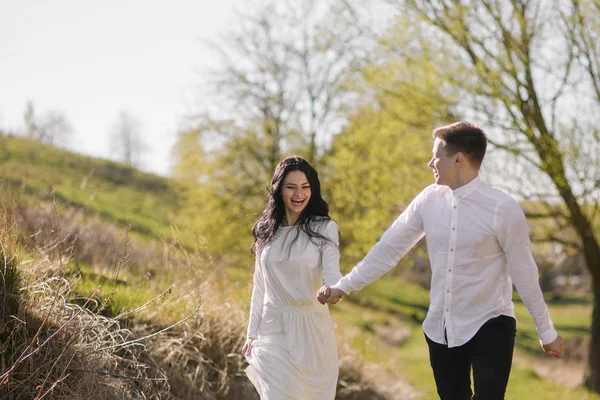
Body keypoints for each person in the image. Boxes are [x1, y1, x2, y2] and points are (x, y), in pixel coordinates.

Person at [317, 121, 564, 400]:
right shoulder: (428, 201)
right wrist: (344, 285)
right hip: (441, 329)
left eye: (436, 156)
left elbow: (524, 273)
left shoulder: (503, 209)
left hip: (491, 323)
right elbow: (389, 249)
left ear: (458, 159)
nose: (430, 162)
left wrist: (546, 331)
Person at [243, 155, 342, 399]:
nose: (299, 194)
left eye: (305, 187)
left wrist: (332, 291)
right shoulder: (265, 230)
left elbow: (332, 275)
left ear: (313, 189)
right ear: (279, 190)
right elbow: (260, 286)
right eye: (291, 187)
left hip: (312, 330)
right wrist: (251, 333)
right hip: (272, 327)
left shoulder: (324, 228)